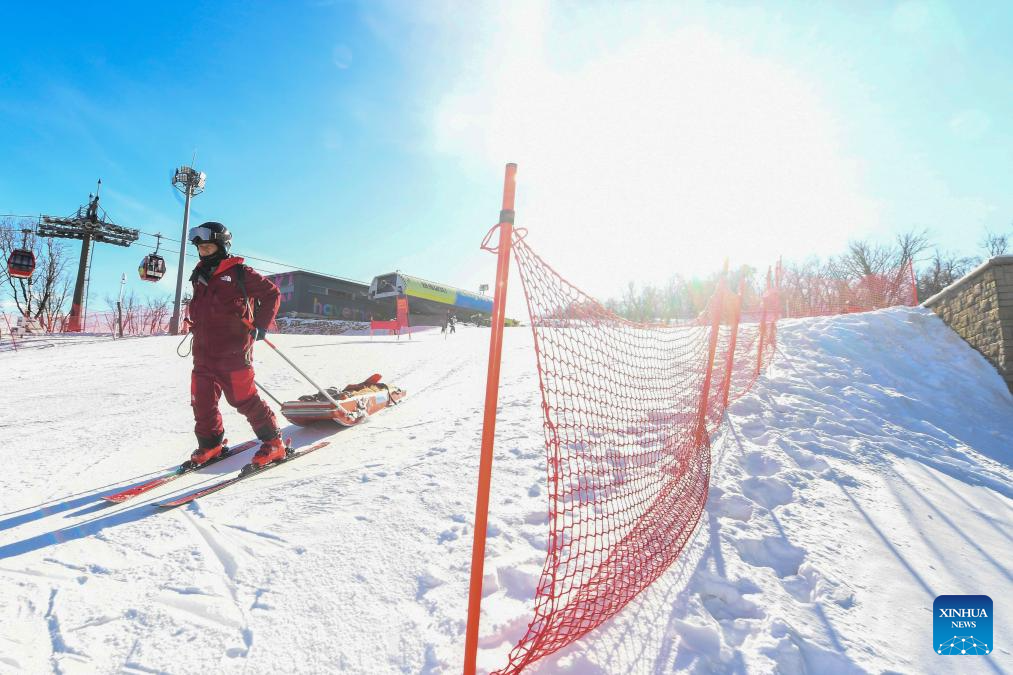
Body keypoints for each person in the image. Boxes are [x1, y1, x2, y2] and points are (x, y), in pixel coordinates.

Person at [185, 221, 285, 468]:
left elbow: (272, 294)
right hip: (203, 350)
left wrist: (261, 325)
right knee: (202, 400)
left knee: (243, 398)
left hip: (233, 348)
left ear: (221, 246)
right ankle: (211, 444)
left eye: (208, 248)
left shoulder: (240, 273)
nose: (204, 253)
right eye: (201, 249)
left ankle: (274, 443)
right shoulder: (198, 275)